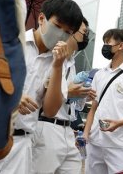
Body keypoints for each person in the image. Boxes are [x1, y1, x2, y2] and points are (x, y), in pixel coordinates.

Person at [0, 0, 83, 174]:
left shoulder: (61, 62)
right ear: (41, 18)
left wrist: (58, 66)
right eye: (57, 26)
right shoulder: (10, 41)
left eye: (67, 32)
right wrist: (11, 98)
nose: (61, 35)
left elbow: (50, 110)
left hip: (22, 143)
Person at [32, 17, 96, 174]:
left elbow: (74, 105)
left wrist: (81, 95)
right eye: (83, 32)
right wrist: (69, 91)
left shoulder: (72, 62)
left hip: (67, 128)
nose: (85, 36)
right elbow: (42, 94)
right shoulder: (51, 57)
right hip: (48, 126)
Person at [83, 28, 123, 174]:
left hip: (120, 145)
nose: (105, 46)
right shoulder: (99, 74)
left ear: (120, 46)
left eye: (108, 42)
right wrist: (86, 133)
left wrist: (119, 123)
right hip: (95, 141)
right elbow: (93, 108)